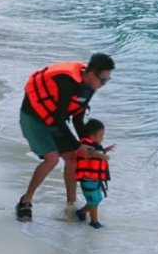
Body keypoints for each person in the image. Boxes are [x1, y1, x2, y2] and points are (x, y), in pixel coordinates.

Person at [15, 53, 115, 222]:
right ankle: (25, 201)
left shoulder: (90, 87)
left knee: (73, 158)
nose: (103, 84)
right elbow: (59, 118)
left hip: (54, 119)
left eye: (107, 81)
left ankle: (70, 206)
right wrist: (78, 146)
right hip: (34, 117)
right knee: (52, 159)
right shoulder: (66, 82)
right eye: (103, 80)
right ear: (91, 74)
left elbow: (77, 119)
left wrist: (91, 146)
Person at [72, 120, 111, 229]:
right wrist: (100, 155)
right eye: (101, 135)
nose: (102, 138)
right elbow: (89, 154)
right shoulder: (86, 145)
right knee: (95, 199)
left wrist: (105, 150)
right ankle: (91, 219)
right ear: (92, 136)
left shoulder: (94, 145)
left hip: (94, 179)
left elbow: (95, 153)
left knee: (95, 199)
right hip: (88, 178)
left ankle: (85, 214)